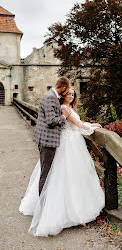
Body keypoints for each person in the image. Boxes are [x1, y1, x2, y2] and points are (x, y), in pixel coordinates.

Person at [19, 87, 105, 236]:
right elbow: (78, 125)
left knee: (72, 175)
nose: (71, 96)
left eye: (73, 94)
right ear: (63, 95)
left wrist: (88, 124)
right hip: (68, 144)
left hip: (70, 142)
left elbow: (77, 122)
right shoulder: (64, 108)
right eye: (68, 94)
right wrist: (91, 126)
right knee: (67, 175)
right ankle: (68, 212)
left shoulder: (68, 108)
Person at [33, 76, 71, 195]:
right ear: (63, 88)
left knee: (47, 171)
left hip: (46, 139)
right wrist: (64, 116)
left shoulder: (51, 96)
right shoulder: (50, 97)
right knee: (46, 172)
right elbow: (51, 121)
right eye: (67, 90)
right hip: (47, 141)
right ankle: (42, 204)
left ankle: (44, 201)